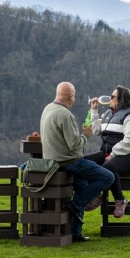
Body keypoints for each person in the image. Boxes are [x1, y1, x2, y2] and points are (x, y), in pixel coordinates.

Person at [40, 82, 115, 242]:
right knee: (108, 177)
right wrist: (86, 134)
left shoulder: (48, 109)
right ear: (71, 96)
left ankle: (75, 232)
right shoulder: (66, 115)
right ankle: (77, 203)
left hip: (52, 162)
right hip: (69, 162)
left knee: (82, 186)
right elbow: (74, 145)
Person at [86, 85, 130, 218]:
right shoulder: (108, 113)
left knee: (109, 166)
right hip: (109, 151)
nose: (110, 99)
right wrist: (94, 111)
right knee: (84, 162)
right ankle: (96, 194)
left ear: (121, 99)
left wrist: (114, 154)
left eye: (113, 97)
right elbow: (97, 131)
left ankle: (120, 200)